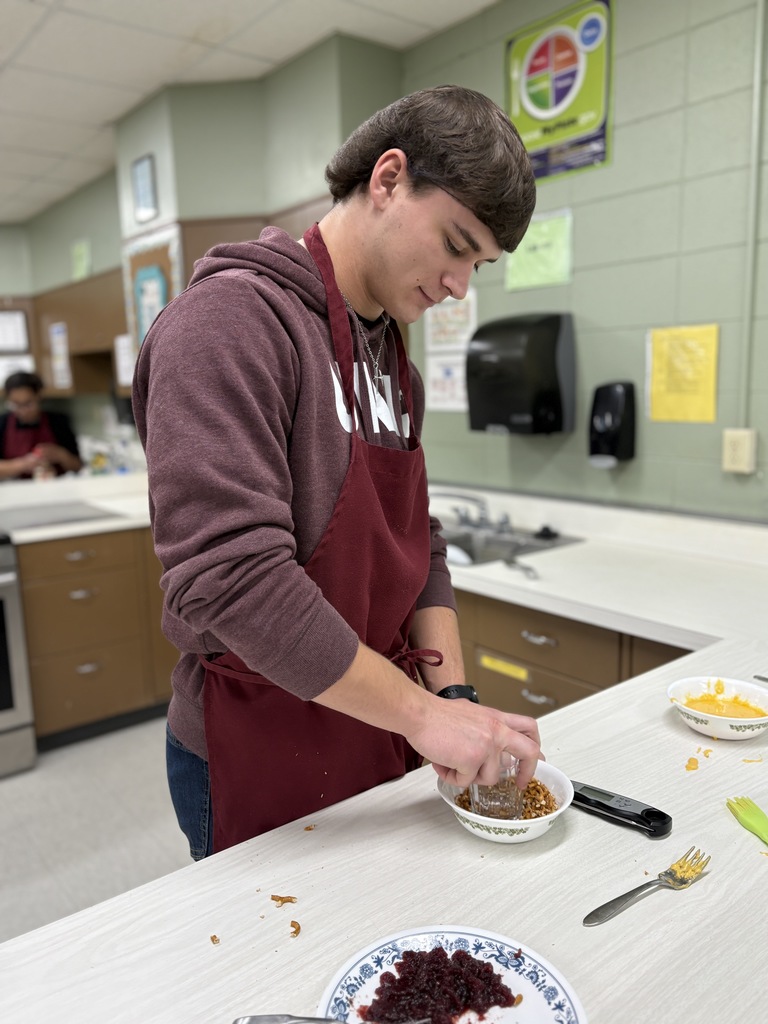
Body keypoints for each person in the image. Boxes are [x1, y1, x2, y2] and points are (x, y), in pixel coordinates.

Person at [132, 84, 540, 859]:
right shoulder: (228, 326)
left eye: (477, 266)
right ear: (388, 179)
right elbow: (232, 580)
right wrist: (424, 717)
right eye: (456, 245)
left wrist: (451, 697)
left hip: (378, 730)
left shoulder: (393, 365)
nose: (459, 287)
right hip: (259, 738)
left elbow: (419, 541)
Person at [0, 371, 82, 480]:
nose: (23, 411)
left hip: (57, 488)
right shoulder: (3, 423)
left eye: (28, 404)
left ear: (39, 396)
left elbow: (78, 466)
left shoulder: (57, 421)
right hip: (15, 490)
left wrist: (61, 455)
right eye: (16, 405)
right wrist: (22, 464)